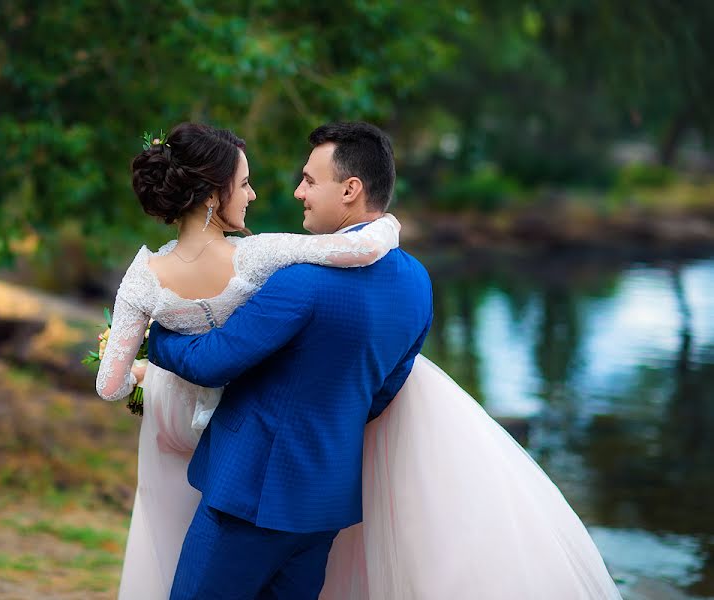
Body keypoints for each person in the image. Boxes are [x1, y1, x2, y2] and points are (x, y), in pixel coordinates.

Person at [148, 123, 623, 599]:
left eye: (311, 181)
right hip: (322, 504)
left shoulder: (301, 281)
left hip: (248, 493)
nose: (299, 192)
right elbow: (381, 393)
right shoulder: (416, 283)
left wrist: (156, 334)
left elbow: (211, 362)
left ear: (351, 189)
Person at [94, 122, 403, 599]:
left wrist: (141, 355)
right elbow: (358, 248)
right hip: (242, 439)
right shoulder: (259, 256)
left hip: (181, 433)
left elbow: (109, 387)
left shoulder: (140, 278)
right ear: (215, 196)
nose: (254, 195)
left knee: (172, 546)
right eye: (244, 184)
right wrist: (388, 224)